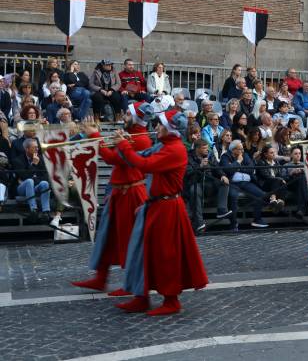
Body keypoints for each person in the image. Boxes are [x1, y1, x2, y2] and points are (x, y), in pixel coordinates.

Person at [113, 109, 208, 316]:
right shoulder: (163, 145)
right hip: (155, 205)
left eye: (159, 125)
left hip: (167, 208)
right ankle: (141, 296)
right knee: (141, 252)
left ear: (170, 128)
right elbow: (137, 157)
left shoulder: (175, 149)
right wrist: (127, 145)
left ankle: (171, 300)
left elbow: (144, 165)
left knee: (166, 255)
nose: (155, 127)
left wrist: (122, 145)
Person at [71, 102, 154, 295]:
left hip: (131, 194)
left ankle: (130, 284)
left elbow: (111, 159)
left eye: (127, 113)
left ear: (136, 117)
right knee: (107, 237)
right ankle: (100, 279)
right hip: (119, 192)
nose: (123, 116)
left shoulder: (140, 140)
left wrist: (94, 135)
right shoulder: (130, 135)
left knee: (128, 240)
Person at [184, 140, 232, 232]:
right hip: (195, 183)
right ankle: (199, 223)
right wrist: (200, 166)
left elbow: (217, 167)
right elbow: (188, 173)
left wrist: (223, 175)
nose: (207, 150)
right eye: (204, 148)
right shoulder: (188, 157)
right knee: (194, 191)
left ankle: (222, 210)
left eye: (207, 148)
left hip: (209, 182)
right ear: (197, 149)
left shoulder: (210, 155)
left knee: (224, 182)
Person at [221, 140, 270, 229]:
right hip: (233, 183)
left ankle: (257, 219)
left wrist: (236, 168)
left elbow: (251, 168)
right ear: (233, 150)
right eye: (240, 149)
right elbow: (227, 170)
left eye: (242, 149)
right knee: (233, 196)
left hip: (246, 182)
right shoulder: (225, 156)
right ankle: (234, 223)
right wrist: (238, 162)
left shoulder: (245, 155)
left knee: (261, 194)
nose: (242, 151)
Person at [12, 138, 52, 224]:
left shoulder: (41, 159)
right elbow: (25, 176)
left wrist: (34, 178)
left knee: (44, 183)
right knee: (29, 181)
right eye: (34, 147)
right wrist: (33, 164)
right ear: (27, 149)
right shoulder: (17, 160)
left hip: (35, 187)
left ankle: (46, 212)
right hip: (22, 189)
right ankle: (33, 210)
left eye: (37, 147)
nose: (37, 149)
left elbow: (45, 177)